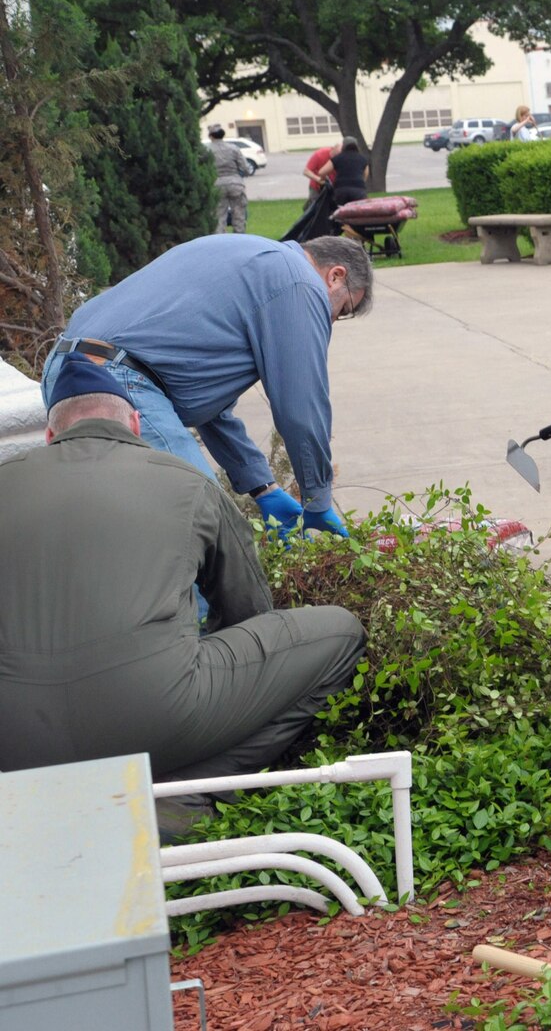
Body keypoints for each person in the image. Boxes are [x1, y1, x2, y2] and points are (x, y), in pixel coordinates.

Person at [0, 355, 366, 836]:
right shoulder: (186, 480)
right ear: (134, 423)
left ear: (51, 435)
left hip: (15, 742)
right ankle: (184, 791)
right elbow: (249, 612)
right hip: (158, 717)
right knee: (342, 633)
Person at [40, 234, 373, 538]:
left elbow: (210, 407)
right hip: (122, 382)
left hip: (65, 370)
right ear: (336, 276)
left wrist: (263, 487)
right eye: (343, 310)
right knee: (208, 535)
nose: (331, 321)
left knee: (125, 535)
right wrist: (317, 497)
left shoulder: (249, 256)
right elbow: (302, 407)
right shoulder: (299, 281)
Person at [207, 124, 250, 234]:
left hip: (216, 185)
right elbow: (245, 168)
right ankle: (240, 240)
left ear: (211, 136)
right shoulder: (233, 148)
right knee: (239, 215)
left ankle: (220, 241)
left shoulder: (207, 150)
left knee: (219, 216)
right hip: (236, 184)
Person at [319, 137, 370, 208]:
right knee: (359, 212)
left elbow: (321, 172)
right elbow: (365, 175)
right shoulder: (363, 159)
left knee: (340, 212)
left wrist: (324, 180)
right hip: (359, 190)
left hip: (341, 190)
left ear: (343, 146)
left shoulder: (337, 158)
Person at [302, 140, 341, 206]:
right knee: (314, 207)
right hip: (316, 187)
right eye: (336, 154)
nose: (337, 157)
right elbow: (306, 171)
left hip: (333, 187)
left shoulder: (342, 158)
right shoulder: (320, 154)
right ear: (333, 148)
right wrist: (319, 180)